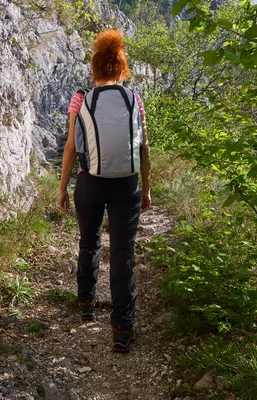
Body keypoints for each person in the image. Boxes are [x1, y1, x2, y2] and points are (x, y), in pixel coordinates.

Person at [57, 28, 151, 353]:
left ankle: (86, 304)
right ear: (121, 68)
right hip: (127, 184)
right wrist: (147, 189)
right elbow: (145, 148)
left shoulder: (80, 98)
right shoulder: (133, 98)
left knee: (90, 241)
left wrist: (63, 188)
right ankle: (122, 329)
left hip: (90, 182)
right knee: (123, 253)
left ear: (95, 67)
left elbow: (71, 147)